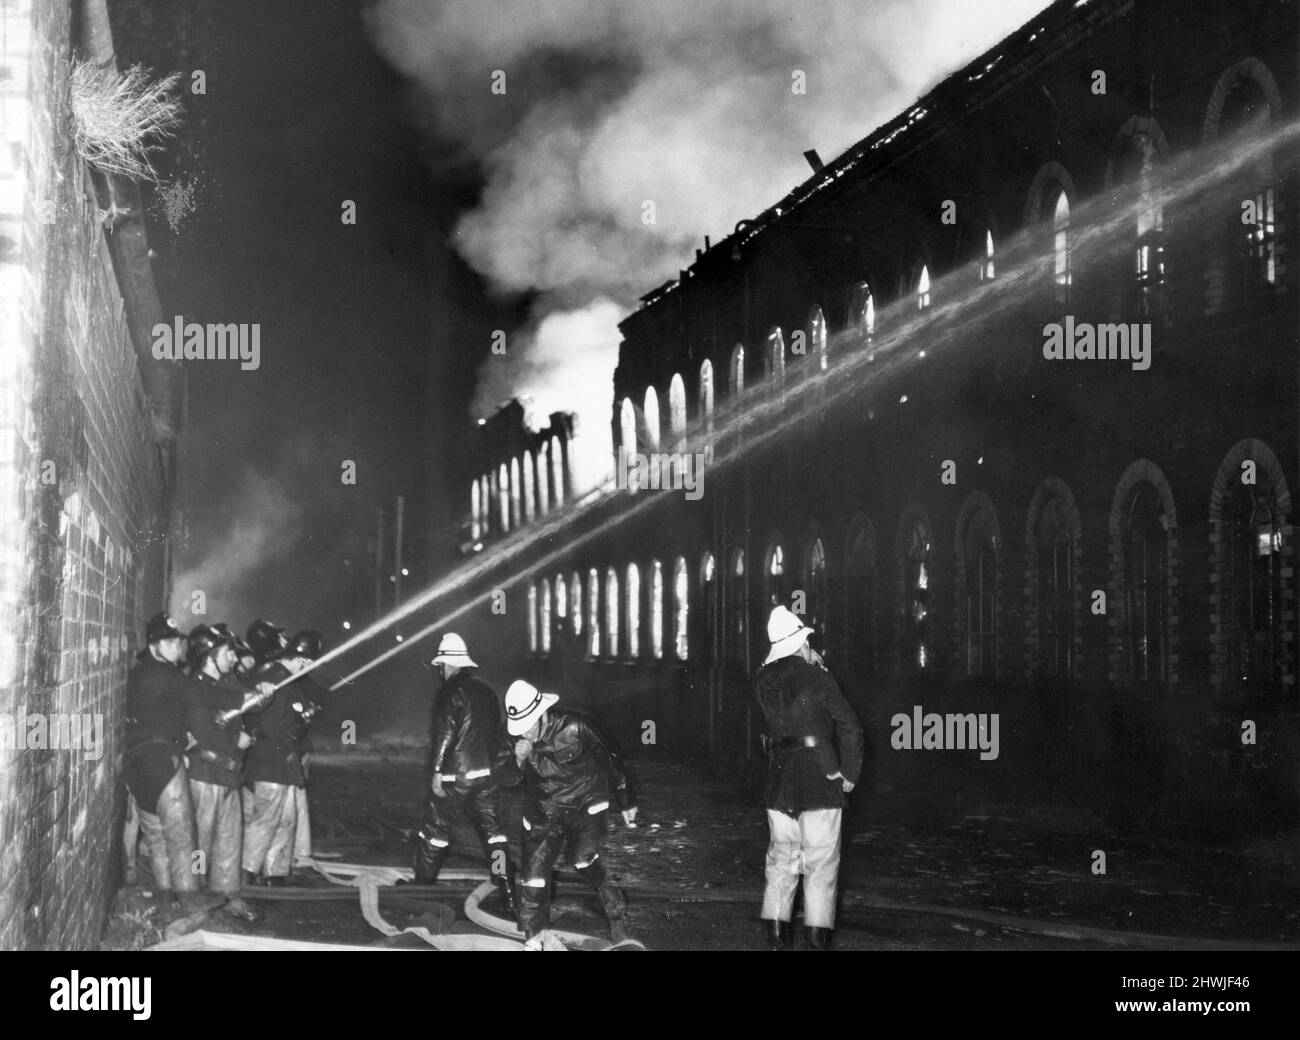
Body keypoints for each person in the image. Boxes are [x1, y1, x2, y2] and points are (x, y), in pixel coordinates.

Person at [752, 605, 863, 950]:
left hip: (779, 783)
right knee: (820, 867)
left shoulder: (762, 680)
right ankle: (816, 943)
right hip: (820, 780)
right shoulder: (817, 675)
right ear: (802, 643)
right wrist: (848, 771)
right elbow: (850, 725)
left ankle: (775, 939)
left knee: (781, 862)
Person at [505, 679, 637, 948]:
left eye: (528, 727)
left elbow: (612, 759)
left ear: (542, 714)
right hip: (542, 810)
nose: (525, 735)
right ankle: (533, 938)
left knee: (583, 859)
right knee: (533, 873)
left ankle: (617, 919)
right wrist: (515, 761)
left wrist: (625, 800)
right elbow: (504, 779)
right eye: (519, 730)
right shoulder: (516, 737)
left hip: (585, 804)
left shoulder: (578, 725)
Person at [122, 613, 223, 915]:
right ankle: (190, 896)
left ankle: (165, 896)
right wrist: (245, 695)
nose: (177, 647)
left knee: (155, 835)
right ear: (154, 646)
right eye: (169, 642)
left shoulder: (138, 673)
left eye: (177, 641)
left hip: (137, 766)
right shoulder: (168, 674)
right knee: (182, 833)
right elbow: (202, 694)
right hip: (163, 764)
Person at [412, 633, 517, 916]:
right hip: (486, 774)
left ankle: (419, 889)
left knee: (435, 831)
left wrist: (436, 771)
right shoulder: (486, 691)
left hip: (455, 775)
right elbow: (496, 733)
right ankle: (508, 890)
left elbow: (445, 734)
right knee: (494, 834)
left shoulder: (450, 692)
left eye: (440, 666)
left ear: (446, 665)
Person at [184, 624, 270, 921]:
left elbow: (249, 702)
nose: (234, 657)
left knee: (229, 840)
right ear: (210, 655)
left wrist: (263, 694)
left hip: (229, 777)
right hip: (206, 775)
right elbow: (201, 732)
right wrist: (236, 741)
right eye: (227, 652)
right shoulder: (195, 686)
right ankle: (190, 897)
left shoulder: (224, 682)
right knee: (200, 843)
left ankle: (228, 895)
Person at [241, 631, 327, 885]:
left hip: (284, 763)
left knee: (286, 821)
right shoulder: (275, 679)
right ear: (301, 659)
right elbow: (268, 723)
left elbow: (291, 721)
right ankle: (247, 872)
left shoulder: (288, 680)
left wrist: (303, 717)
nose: (310, 667)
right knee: (266, 820)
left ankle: (274, 872)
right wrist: (300, 719)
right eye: (310, 662)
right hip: (271, 763)